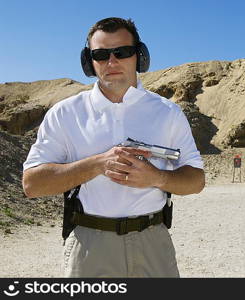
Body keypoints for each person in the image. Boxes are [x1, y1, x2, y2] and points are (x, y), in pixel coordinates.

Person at [22, 17, 205, 277]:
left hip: (153, 241)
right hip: (90, 246)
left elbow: (196, 180)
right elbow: (32, 184)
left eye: (122, 52)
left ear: (140, 56)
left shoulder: (168, 112)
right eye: (101, 54)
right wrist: (96, 164)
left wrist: (157, 177)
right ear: (89, 62)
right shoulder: (65, 113)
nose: (112, 62)